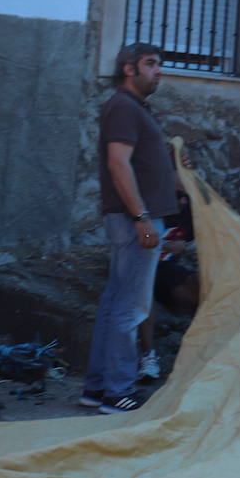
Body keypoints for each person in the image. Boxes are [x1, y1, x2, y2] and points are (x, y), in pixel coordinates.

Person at [79, 43, 178, 414]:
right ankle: (117, 392)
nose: (158, 71)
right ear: (129, 69)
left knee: (114, 305)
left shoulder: (134, 108)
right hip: (135, 220)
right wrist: (142, 218)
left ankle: (97, 388)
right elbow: (119, 164)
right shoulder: (123, 107)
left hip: (134, 218)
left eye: (159, 64)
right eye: (151, 64)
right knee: (130, 308)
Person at [137, 190, 200, 381]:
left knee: (205, 283)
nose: (182, 200)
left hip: (169, 270)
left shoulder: (187, 207)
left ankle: (201, 351)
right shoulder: (149, 205)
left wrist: (185, 247)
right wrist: (163, 246)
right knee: (144, 296)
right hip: (143, 265)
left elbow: (199, 241)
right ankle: (148, 358)